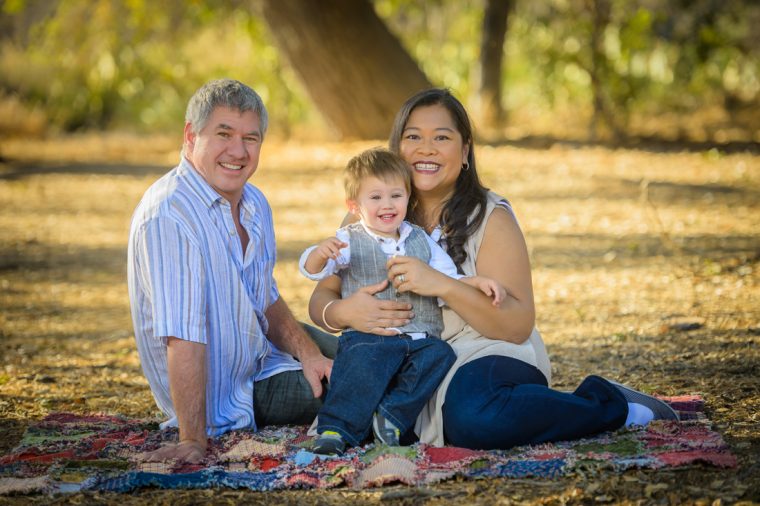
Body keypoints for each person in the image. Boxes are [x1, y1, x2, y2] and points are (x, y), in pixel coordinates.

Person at [308, 88, 679, 451]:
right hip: (395, 355)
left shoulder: (491, 217)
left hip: (482, 351)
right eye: (413, 137)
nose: (426, 149)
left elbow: (517, 325)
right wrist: (343, 311)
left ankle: (609, 402)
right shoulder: (369, 215)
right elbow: (320, 298)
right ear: (396, 147)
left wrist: (443, 285)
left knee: (475, 417)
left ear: (465, 150)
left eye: (442, 137)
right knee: (334, 396)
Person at [127, 79, 336, 463]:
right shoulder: (170, 215)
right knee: (360, 389)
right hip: (233, 393)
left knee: (375, 353)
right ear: (191, 136)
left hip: (260, 351)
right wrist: (192, 439)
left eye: (251, 138)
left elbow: (264, 298)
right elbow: (182, 335)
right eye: (224, 134)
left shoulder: (254, 202)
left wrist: (308, 353)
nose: (238, 151)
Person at [299, 148, 504, 455]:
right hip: (371, 335)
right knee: (357, 369)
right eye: (376, 197)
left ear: (408, 198)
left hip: (418, 336)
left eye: (396, 195)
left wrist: (475, 282)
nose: (387, 204)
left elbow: (448, 277)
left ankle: (390, 416)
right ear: (354, 205)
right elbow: (314, 272)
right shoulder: (350, 240)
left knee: (441, 355)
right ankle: (335, 429)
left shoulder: (420, 239)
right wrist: (318, 255)